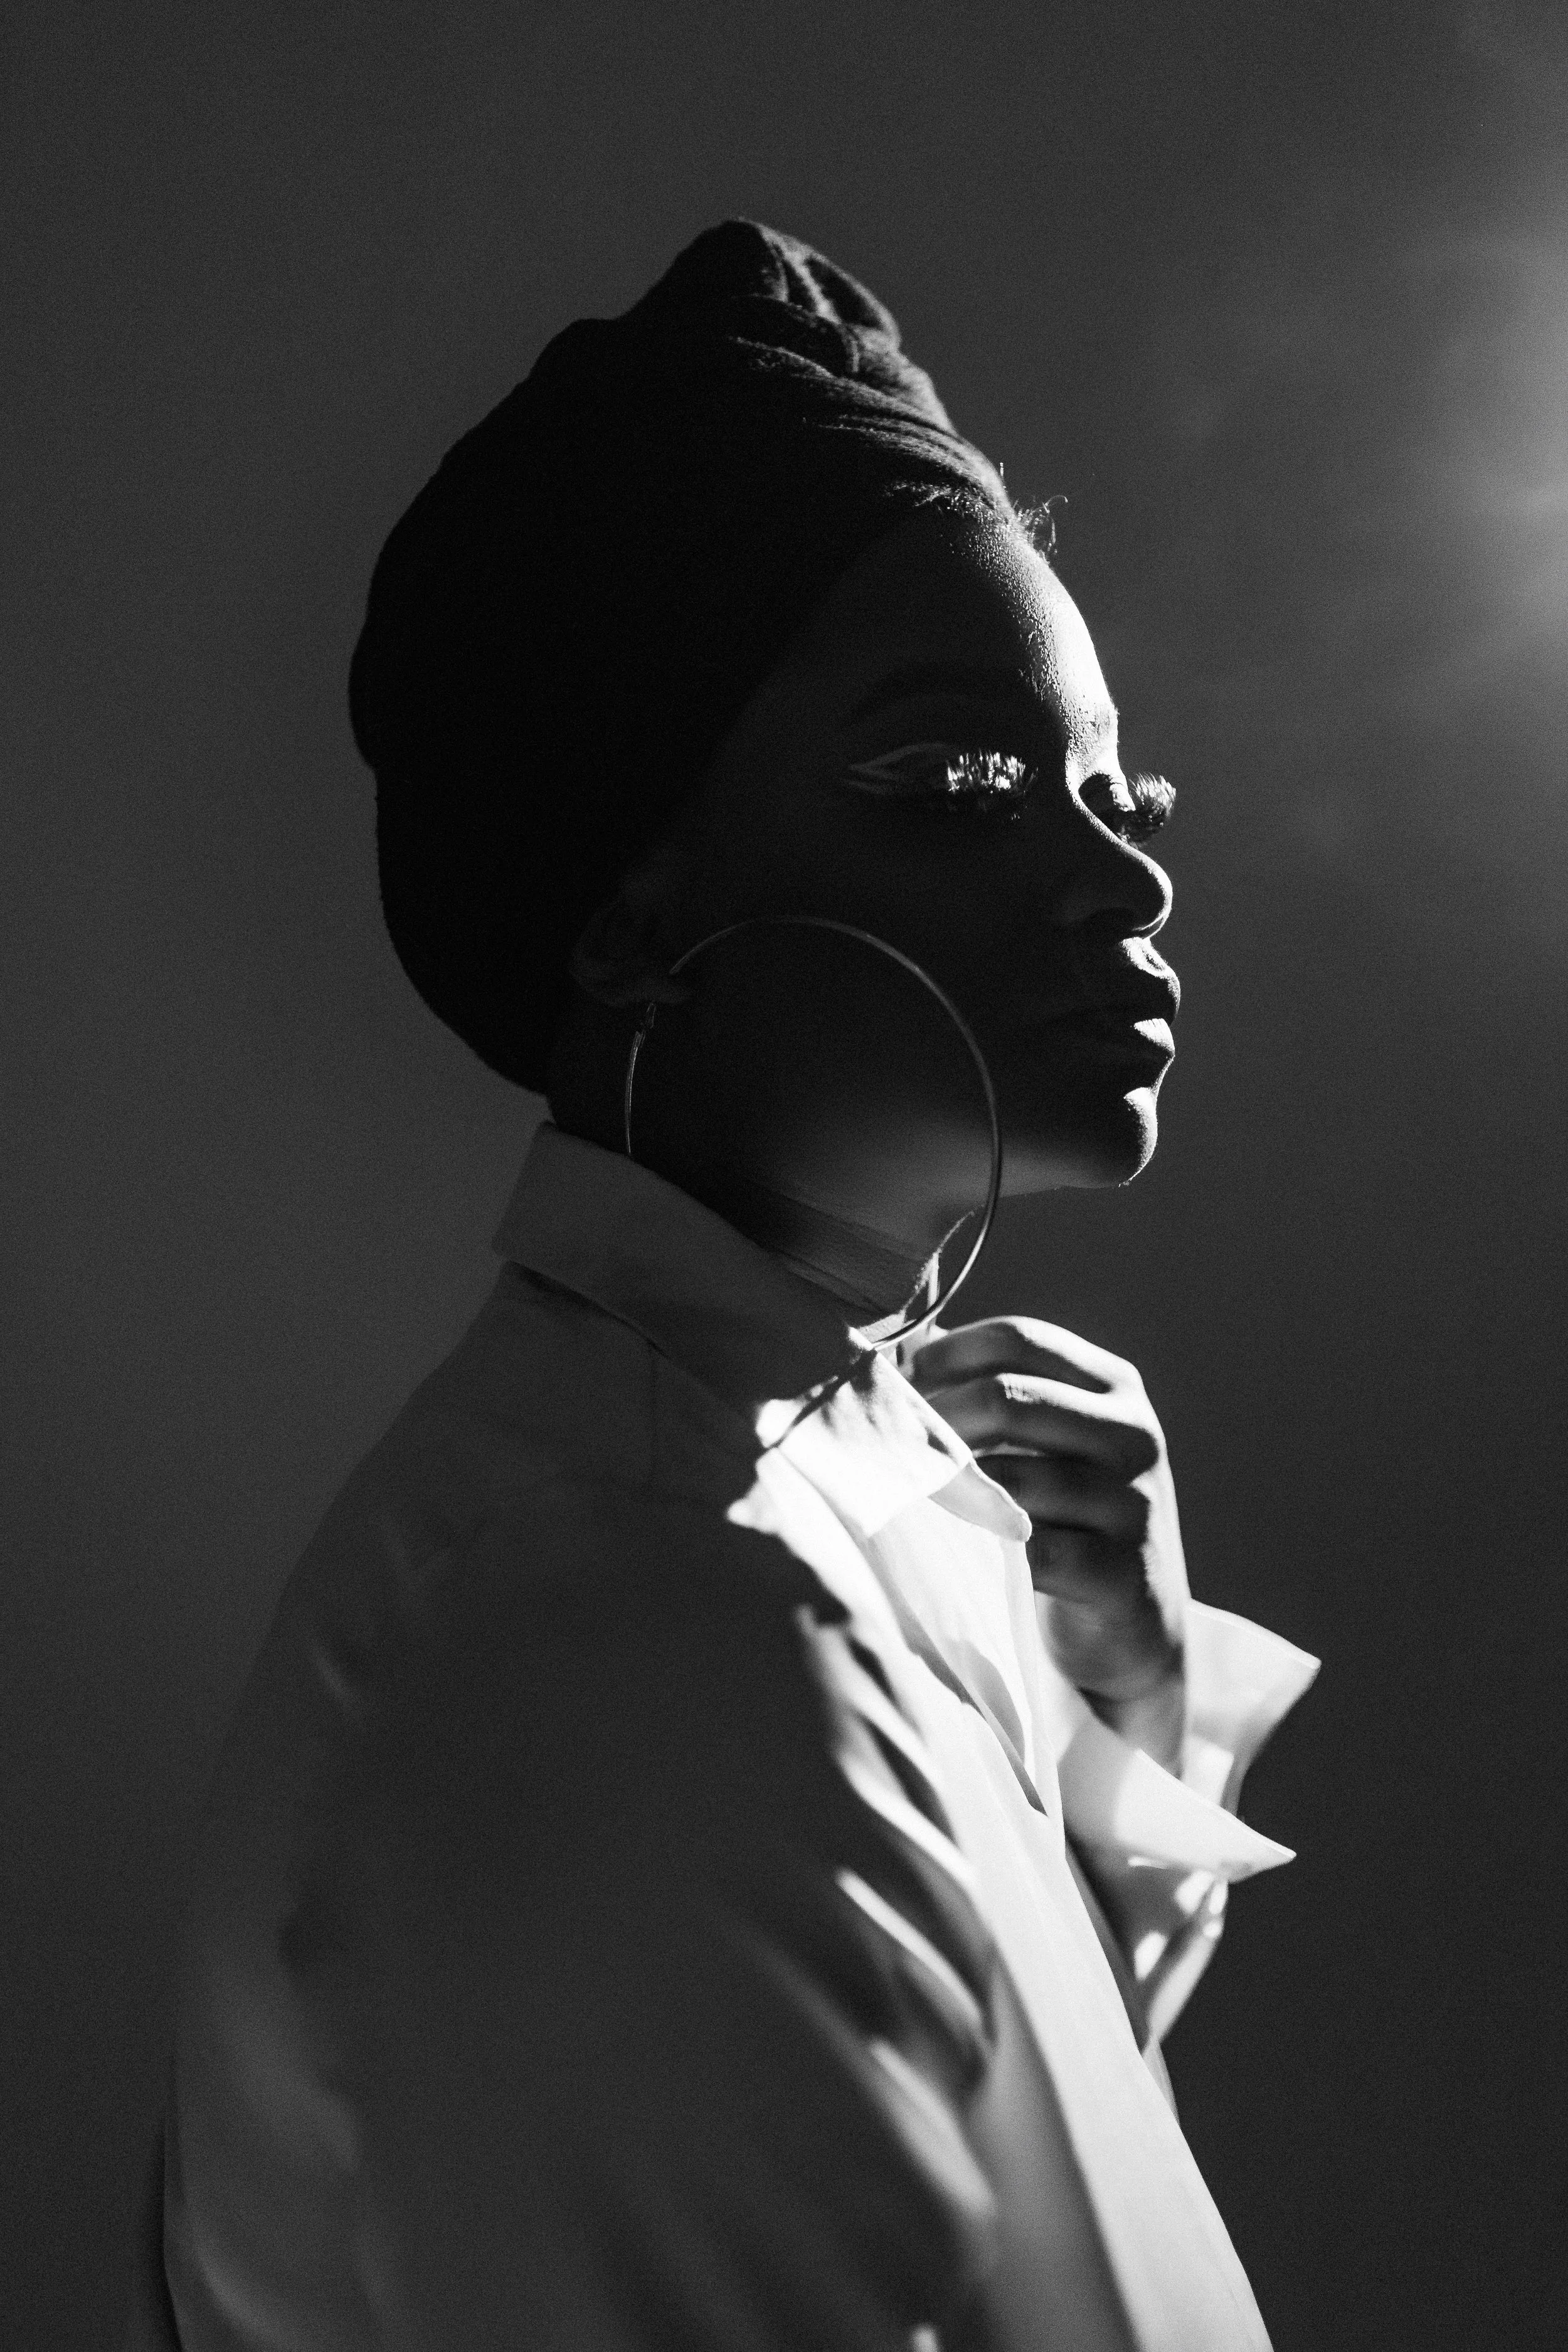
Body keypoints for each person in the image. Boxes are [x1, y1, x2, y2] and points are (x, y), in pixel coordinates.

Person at [125, 221, 1317, 2350]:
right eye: (958, 775)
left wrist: (1116, 1701)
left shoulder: (833, 1492)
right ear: (626, 909)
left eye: (1112, 787)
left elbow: (1001, 2206)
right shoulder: (645, 1640)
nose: (1123, 868)